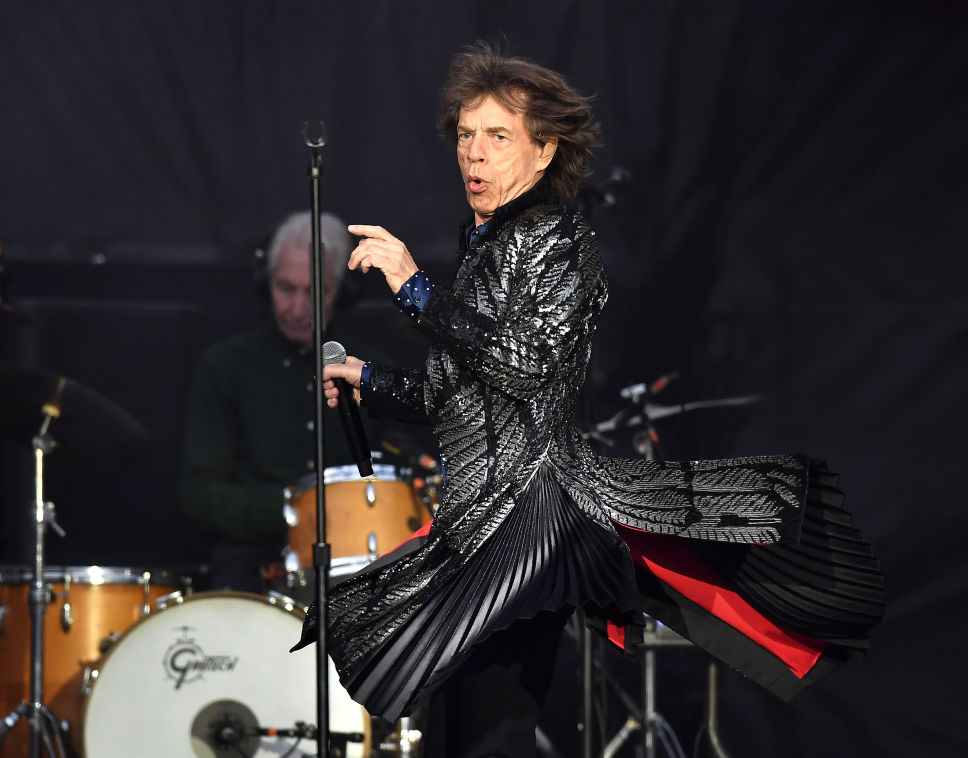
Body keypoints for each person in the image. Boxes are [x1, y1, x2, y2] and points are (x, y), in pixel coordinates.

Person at [296, 43, 885, 758]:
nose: (474, 154)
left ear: (544, 151)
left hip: (528, 526)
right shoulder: (487, 244)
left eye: (498, 136)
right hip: (478, 523)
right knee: (451, 730)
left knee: (488, 732)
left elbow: (522, 368)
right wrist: (369, 378)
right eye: (466, 135)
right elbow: (463, 398)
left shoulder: (557, 239)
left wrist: (416, 288)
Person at [181, 211, 372, 592]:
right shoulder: (224, 366)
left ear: (342, 292)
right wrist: (297, 511)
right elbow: (199, 495)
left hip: (353, 557)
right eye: (286, 288)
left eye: (315, 292)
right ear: (265, 283)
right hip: (253, 561)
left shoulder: (368, 370)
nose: (298, 310)